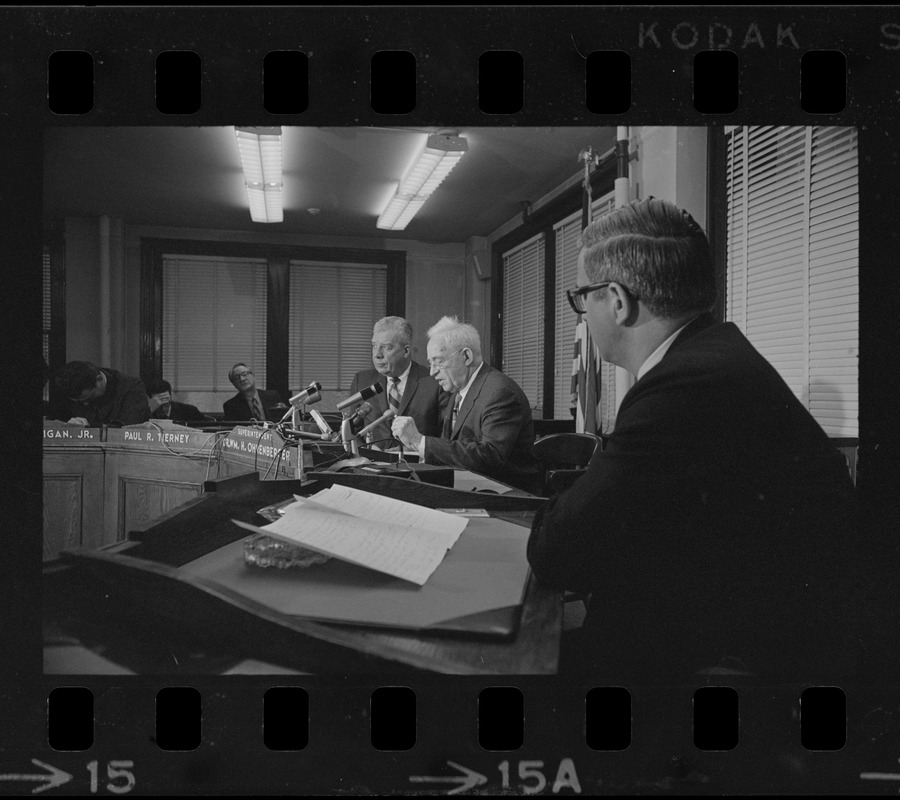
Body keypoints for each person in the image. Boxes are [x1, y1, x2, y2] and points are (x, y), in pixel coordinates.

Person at [525, 197, 859, 682]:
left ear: (617, 301)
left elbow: (558, 551)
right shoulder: (711, 356)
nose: (582, 314)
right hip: (728, 627)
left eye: (581, 298)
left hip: (740, 665)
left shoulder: (685, 384)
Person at [391, 315, 542, 494]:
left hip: (509, 494)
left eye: (439, 361)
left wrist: (420, 441)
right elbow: (455, 447)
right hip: (469, 485)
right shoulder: (458, 391)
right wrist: (414, 448)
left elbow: (490, 457)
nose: (432, 372)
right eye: (430, 363)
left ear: (467, 356)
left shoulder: (499, 392)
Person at [348, 316, 449, 447]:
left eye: (386, 347)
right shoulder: (362, 381)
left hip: (417, 464)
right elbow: (351, 432)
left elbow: (445, 436)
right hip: (372, 463)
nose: (377, 354)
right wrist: (367, 450)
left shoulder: (434, 382)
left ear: (406, 351)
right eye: (374, 346)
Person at [54, 360, 150, 426]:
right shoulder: (69, 388)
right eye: (78, 401)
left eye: (89, 398)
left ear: (99, 380)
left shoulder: (131, 387)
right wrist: (68, 428)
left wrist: (89, 430)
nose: (85, 404)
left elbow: (129, 429)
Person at [145, 379, 209, 423]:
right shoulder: (147, 414)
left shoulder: (190, 411)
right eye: (158, 402)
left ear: (170, 396)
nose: (162, 406)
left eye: (165, 399)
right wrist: (150, 410)